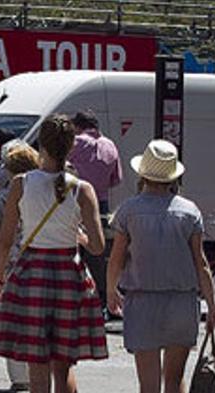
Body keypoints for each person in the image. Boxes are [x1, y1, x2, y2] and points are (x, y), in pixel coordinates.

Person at [0, 115, 108, 393]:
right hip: (69, 278)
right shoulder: (81, 189)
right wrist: (81, 237)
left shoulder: (21, 184)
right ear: (71, 147)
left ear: (40, 147)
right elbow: (99, 246)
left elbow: (7, 238)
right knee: (64, 367)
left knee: (37, 376)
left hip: (31, 277)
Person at [106, 140, 215, 393]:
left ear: (143, 174)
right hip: (181, 302)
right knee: (175, 380)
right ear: (173, 177)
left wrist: (111, 290)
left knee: (147, 385)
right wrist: (211, 306)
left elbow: (117, 257)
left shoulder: (128, 211)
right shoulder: (189, 211)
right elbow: (201, 262)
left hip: (142, 302)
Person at [0, 141, 40, 392]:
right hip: (38, 257)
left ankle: (18, 374)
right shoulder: (45, 192)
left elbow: (3, 235)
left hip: (12, 259)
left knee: (13, 317)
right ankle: (36, 371)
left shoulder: (4, 194)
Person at [69, 111, 123, 312]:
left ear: (77, 126)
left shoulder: (75, 142)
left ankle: (75, 299)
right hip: (101, 203)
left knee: (72, 250)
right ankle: (99, 302)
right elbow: (116, 179)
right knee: (98, 254)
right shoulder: (110, 145)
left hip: (75, 200)